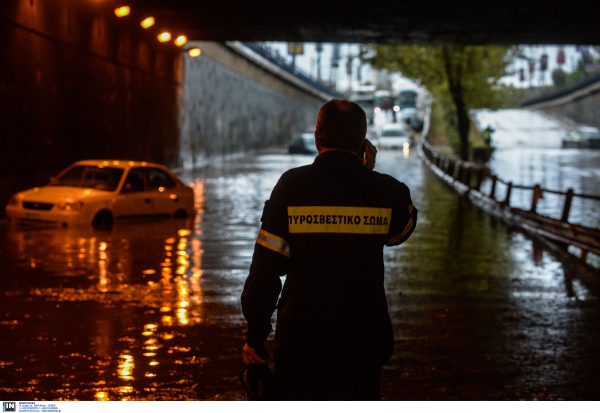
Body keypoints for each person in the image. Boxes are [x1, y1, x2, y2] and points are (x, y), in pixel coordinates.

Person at [240, 99, 418, 401]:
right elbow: (400, 232)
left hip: (300, 342)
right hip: (362, 344)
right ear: (363, 144)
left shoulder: (291, 186)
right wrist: (368, 175)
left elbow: (267, 268)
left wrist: (256, 337)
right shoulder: (386, 191)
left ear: (316, 138)